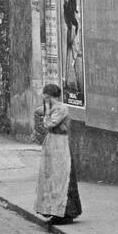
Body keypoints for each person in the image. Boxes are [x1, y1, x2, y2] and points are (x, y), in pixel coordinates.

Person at [35, 83, 82, 225]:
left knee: (62, 178)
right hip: (52, 144)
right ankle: (55, 211)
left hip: (60, 144)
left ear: (52, 97)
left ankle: (66, 212)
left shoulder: (61, 108)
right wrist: (46, 109)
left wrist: (47, 111)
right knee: (52, 178)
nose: (46, 101)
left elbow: (49, 123)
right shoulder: (53, 107)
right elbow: (38, 111)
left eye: (47, 98)